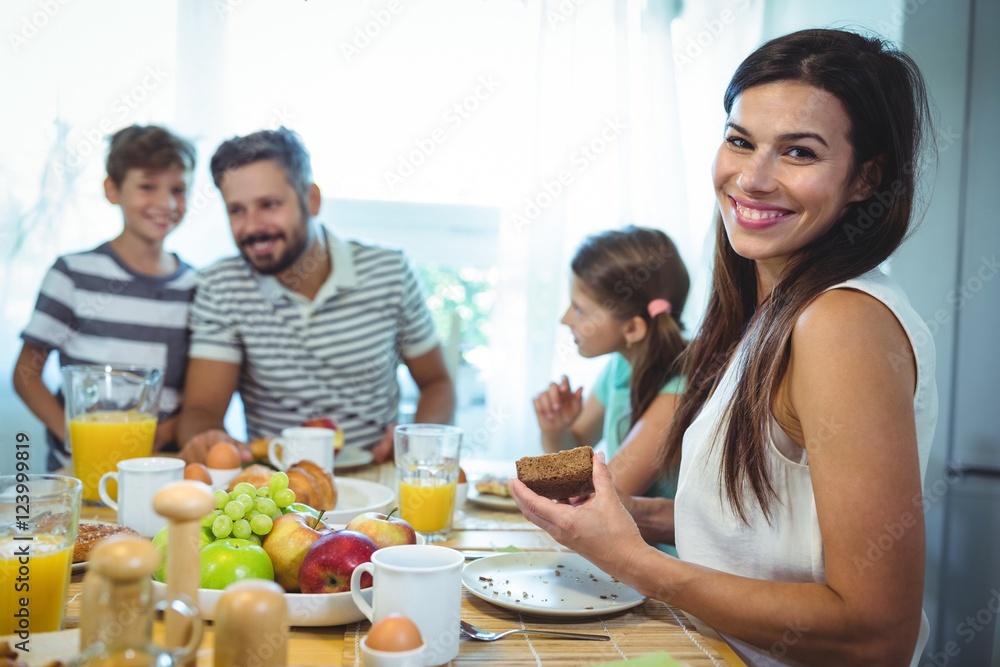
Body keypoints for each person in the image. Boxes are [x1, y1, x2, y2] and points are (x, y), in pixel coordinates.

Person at [511, 28, 936, 666]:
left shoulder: (841, 324)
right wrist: (638, 517)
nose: (753, 178)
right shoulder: (772, 312)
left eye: (799, 152)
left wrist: (630, 561)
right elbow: (776, 540)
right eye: (741, 141)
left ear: (865, 179)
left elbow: (876, 631)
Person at [177, 127, 455, 464]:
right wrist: (207, 440)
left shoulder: (389, 271)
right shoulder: (221, 285)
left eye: (269, 204)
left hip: (376, 476)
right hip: (279, 487)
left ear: (312, 200)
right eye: (237, 210)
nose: (252, 227)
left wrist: (414, 444)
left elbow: (437, 382)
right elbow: (201, 410)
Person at [14, 125, 197, 470]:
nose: (166, 203)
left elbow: (199, 390)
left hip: (157, 469)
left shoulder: (196, 286)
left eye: (178, 189)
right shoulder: (72, 274)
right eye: (147, 186)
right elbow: (26, 372)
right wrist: (74, 438)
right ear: (112, 189)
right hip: (79, 473)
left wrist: (161, 436)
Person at [532, 227, 689, 553]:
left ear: (632, 328)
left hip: (658, 574)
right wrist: (556, 429)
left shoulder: (679, 391)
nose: (565, 319)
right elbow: (574, 457)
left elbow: (600, 499)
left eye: (579, 309)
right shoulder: (623, 364)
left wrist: (551, 479)